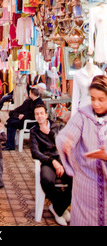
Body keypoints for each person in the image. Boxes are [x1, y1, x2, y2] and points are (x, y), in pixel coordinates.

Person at [56, 74, 107, 226]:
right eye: (92, 98)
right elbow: (65, 135)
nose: (96, 104)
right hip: (85, 184)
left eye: (101, 99)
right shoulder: (83, 114)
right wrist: (67, 143)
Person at [30, 105, 72, 226]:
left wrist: (50, 133)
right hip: (48, 162)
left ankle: (57, 208)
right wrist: (52, 161)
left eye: (41, 113)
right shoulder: (34, 131)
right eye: (37, 114)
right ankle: (60, 209)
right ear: (35, 117)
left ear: (46, 115)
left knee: (75, 179)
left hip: (62, 159)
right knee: (46, 180)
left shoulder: (57, 126)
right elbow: (35, 153)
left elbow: (64, 143)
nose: (39, 116)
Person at [4, 87, 44, 151]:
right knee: (10, 121)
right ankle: (9, 142)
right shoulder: (30, 101)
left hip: (31, 122)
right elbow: (22, 108)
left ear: (32, 94)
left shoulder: (39, 103)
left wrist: (24, 116)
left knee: (11, 123)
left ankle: (10, 145)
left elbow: (34, 115)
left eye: (30, 93)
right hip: (25, 119)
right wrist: (14, 113)